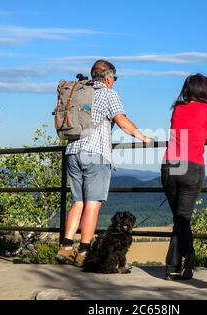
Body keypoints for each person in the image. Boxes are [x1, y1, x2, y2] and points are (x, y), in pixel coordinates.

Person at [57, 59, 151, 267]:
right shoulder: (109, 94)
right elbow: (121, 120)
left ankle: (64, 248)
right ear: (108, 77)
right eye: (114, 78)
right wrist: (142, 136)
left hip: (72, 151)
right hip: (95, 153)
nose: (114, 81)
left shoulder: (80, 91)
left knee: (78, 202)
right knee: (92, 204)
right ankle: (83, 251)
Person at [161, 73, 207, 280]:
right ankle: (173, 267)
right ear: (206, 92)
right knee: (182, 220)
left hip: (170, 165)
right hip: (192, 167)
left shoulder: (177, 108)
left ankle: (189, 261)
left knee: (180, 219)